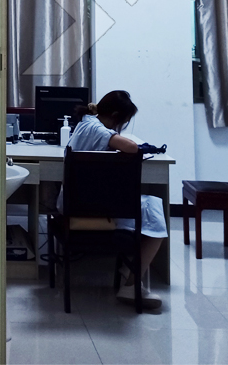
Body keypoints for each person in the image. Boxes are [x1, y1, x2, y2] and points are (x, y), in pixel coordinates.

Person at [66, 90, 167, 309]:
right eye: (124, 121)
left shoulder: (86, 123)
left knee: (147, 206)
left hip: (75, 202)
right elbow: (131, 147)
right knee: (154, 208)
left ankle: (129, 267)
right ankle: (131, 283)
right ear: (114, 115)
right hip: (94, 208)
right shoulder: (98, 130)